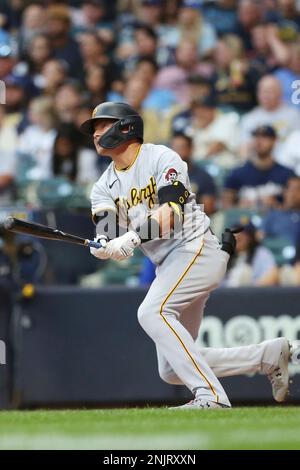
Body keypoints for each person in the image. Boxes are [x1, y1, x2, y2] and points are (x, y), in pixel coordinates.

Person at [80, 101, 294, 408]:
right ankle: (267, 356)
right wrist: (105, 244)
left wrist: (130, 238)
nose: (96, 133)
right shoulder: (103, 186)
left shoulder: (161, 157)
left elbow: (172, 212)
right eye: (94, 129)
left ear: (125, 127)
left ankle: (211, 396)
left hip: (195, 249)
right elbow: (109, 228)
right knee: (170, 369)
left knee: (151, 313)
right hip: (168, 265)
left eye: (102, 125)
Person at [223, 125, 295, 209]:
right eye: (256, 137)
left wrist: (276, 205)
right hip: (244, 219)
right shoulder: (237, 173)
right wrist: (239, 207)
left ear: (274, 141)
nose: (259, 141)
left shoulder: (287, 174)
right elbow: (226, 205)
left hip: (277, 220)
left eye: (265, 137)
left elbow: (294, 209)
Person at [223, 221, 279, 287]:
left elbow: (273, 276)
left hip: (251, 294)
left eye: (243, 233)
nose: (238, 236)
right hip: (225, 293)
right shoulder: (225, 254)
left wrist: (251, 289)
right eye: (235, 232)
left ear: (251, 237)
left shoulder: (262, 253)